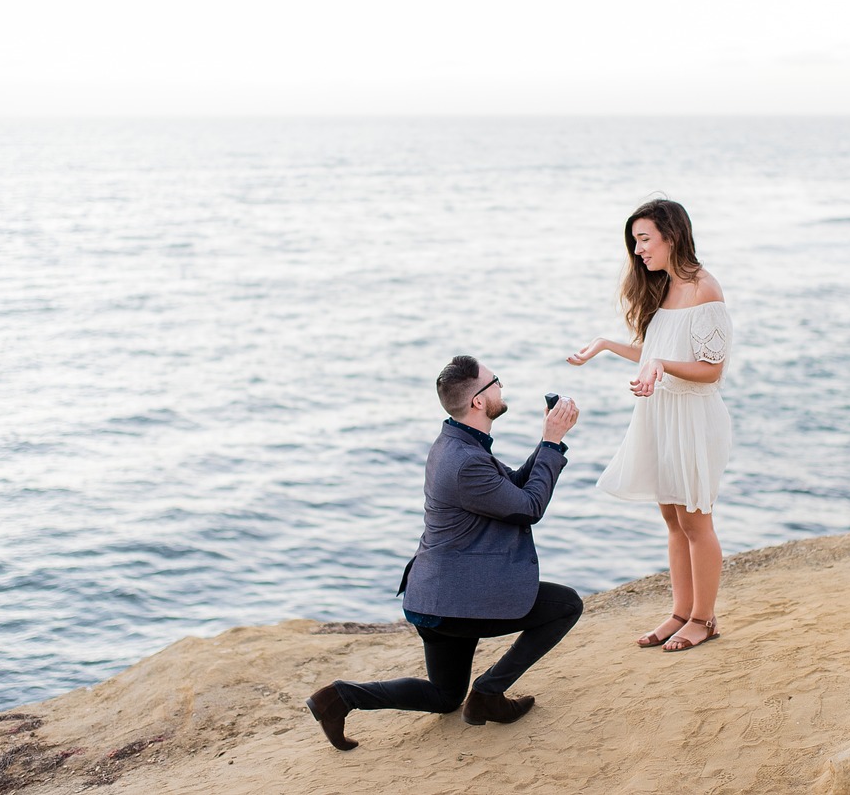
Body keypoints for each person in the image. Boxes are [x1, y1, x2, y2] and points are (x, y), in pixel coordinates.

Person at [305, 355, 583, 751]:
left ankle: (340, 697)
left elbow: (511, 492)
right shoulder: (465, 461)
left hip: (433, 598)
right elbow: (528, 507)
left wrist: (547, 441)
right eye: (496, 382)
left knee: (445, 696)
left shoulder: (456, 443)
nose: (502, 387)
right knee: (567, 604)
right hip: (453, 603)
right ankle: (488, 692)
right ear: (478, 402)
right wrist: (553, 443)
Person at [568, 199, 732, 653]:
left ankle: (703, 618)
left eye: (644, 239)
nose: (638, 250)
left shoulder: (705, 290)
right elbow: (654, 351)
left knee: (697, 522)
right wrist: (604, 344)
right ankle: (681, 611)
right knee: (673, 520)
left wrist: (660, 363)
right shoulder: (663, 288)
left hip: (694, 417)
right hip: (661, 413)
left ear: (671, 236)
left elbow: (710, 369)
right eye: (634, 242)